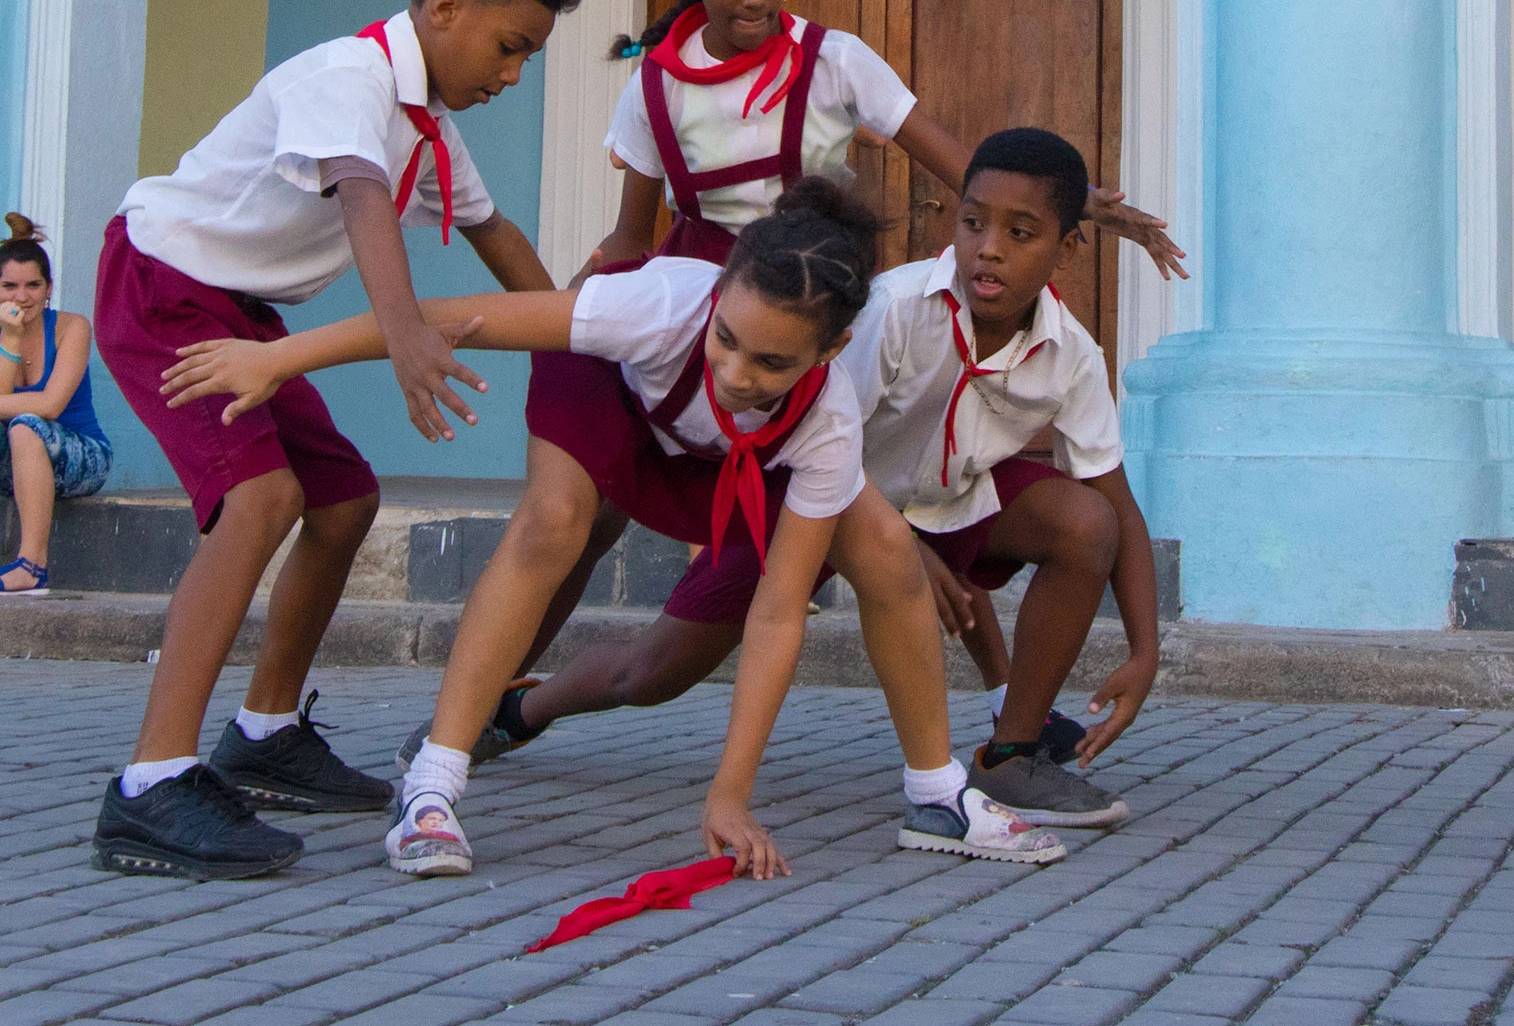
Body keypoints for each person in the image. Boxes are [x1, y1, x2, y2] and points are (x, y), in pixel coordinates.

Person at [395, 0, 1186, 768]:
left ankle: (993, 737)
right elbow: (629, 233)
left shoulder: (835, 62)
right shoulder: (653, 86)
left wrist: (1083, 207)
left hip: (797, 327)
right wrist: (569, 323)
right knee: (585, 517)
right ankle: (484, 707)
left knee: (873, 531)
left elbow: (962, 172)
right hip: (693, 318)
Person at [162, 179, 1070, 880]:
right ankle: (430, 789)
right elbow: (463, 319)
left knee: (883, 549)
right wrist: (282, 355)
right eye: (729, 339)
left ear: (829, 355)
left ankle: (937, 796)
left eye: (774, 360)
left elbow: (777, 611)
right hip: (606, 388)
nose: (741, 370)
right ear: (717, 298)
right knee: (557, 520)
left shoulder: (825, 417)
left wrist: (730, 793)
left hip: (705, 456)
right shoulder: (661, 303)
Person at [86, 0, 582, 880]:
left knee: (344, 497)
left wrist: (591, 337)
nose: (514, 73)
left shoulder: (426, 126)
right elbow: (359, 193)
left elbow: (497, 238)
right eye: (510, 45)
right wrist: (402, 332)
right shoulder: (346, 79)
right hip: (159, 282)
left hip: (235, 305)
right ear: (445, 6)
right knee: (261, 498)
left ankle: (265, 733)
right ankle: (150, 783)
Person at [483, 130, 1159, 831]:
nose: (989, 247)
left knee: (1085, 522)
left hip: (933, 509)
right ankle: (520, 708)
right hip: (800, 501)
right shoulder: (890, 311)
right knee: (653, 671)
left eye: (1020, 233)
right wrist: (898, 547)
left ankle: (1010, 752)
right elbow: (820, 446)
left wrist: (1145, 651)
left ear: (1067, 248)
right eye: (973, 222)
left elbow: (1118, 503)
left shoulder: (1073, 355)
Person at [0, 213, 112, 596]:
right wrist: (9, 342)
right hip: (13, 460)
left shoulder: (72, 327)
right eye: (9, 286)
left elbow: (50, 404)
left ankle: (32, 566)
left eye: (33, 285)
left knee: (26, 423)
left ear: (49, 289)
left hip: (78, 456)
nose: (21, 296)